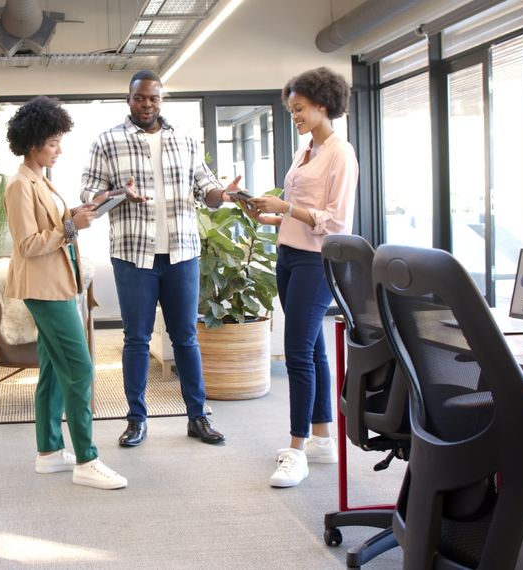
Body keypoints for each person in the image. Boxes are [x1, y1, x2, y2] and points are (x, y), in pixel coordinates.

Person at [81, 70, 242, 448]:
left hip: (182, 253)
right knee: (135, 339)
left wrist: (224, 194)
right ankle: (136, 419)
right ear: (129, 99)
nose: (147, 104)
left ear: (161, 100)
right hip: (133, 256)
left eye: (153, 98)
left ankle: (197, 417)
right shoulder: (108, 142)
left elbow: (207, 191)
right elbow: (89, 195)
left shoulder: (184, 140)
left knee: (185, 337)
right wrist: (121, 193)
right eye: (140, 98)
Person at [240, 67, 358, 488]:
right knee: (313, 351)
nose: (296, 117)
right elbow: (298, 211)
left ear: (323, 104)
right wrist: (269, 213)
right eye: (291, 111)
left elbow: (337, 221)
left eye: (300, 109)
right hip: (289, 255)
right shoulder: (305, 150)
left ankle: (296, 449)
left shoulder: (340, 153)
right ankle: (322, 438)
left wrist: (286, 208)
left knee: (297, 353)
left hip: (315, 261)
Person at [4, 96, 127, 490]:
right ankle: (87, 460)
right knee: (81, 370)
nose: (59, 149)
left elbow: (55, 223)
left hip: (56, 283)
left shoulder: (40, 180)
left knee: (55, 371)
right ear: (33, 141)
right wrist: (72, 227)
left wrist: (87, 209)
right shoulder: (20, 185)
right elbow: (28, 244)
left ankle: (50, 452)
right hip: (44, 289)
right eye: (53, 142)